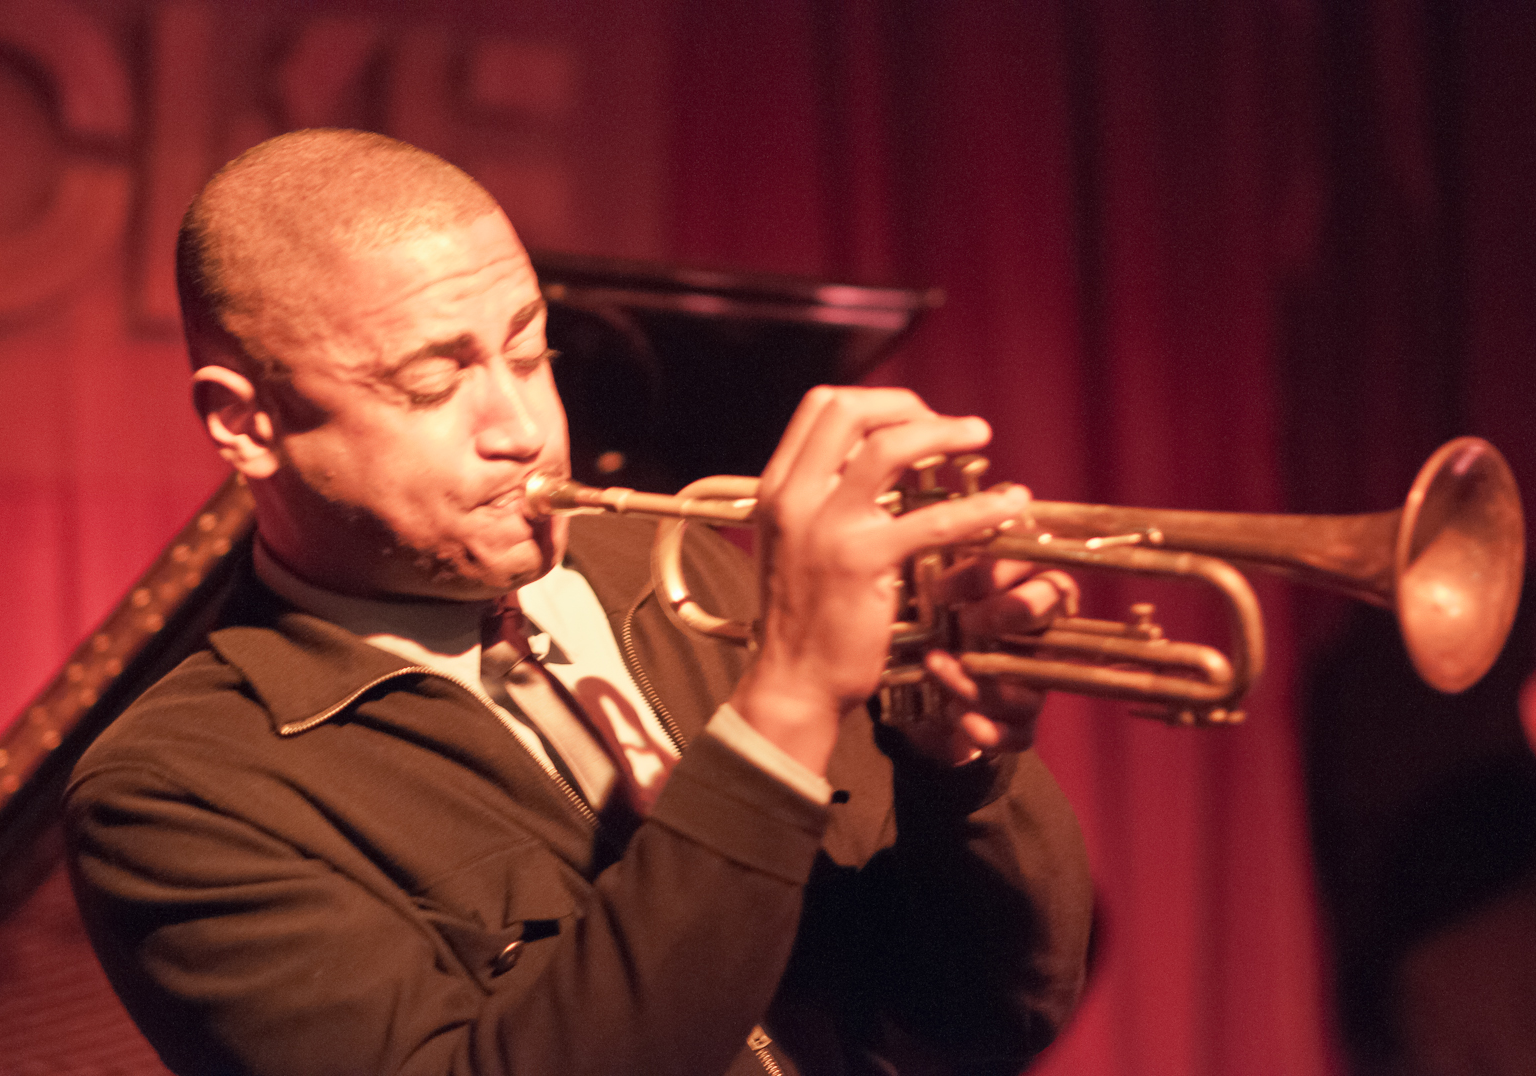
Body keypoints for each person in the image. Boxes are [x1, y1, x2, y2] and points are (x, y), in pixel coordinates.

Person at [64, 128, 1093, 1076]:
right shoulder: (178, 789)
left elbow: (982, 1016)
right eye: (433, 383)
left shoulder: (667, 565)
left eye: (529, 351)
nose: (521, 427)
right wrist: (781, 707)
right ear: (245, 424)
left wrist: (957, 768)